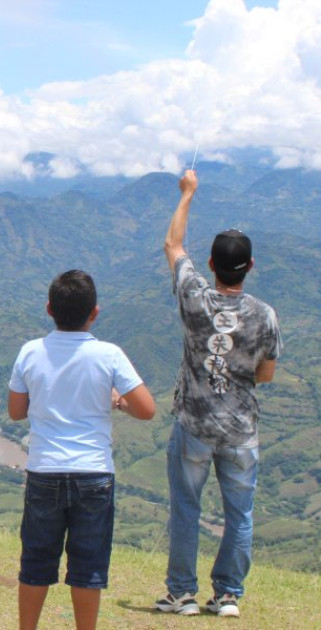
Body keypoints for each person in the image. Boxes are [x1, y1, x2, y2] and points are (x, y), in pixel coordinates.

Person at [155, 170, 282, 618]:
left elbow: (173, 245)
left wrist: (187, 193)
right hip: (241, 429)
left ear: (210, 264)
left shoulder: (195, 297)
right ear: (250, 266)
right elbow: (266, 374)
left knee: (186, 509)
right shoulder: (265, 316)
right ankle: (228, 595)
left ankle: (182, 594)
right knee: (240, 514)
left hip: (193, 424)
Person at [9, 269, 156, 630]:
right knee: (88, 566)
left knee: (36, 562)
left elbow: (16, 411)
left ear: (49, 309)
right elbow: (146, 410)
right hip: (93, 473)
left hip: (44, 470)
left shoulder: (30, 352)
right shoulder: (109, 354)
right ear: (95, 312)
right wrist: (117, 401)